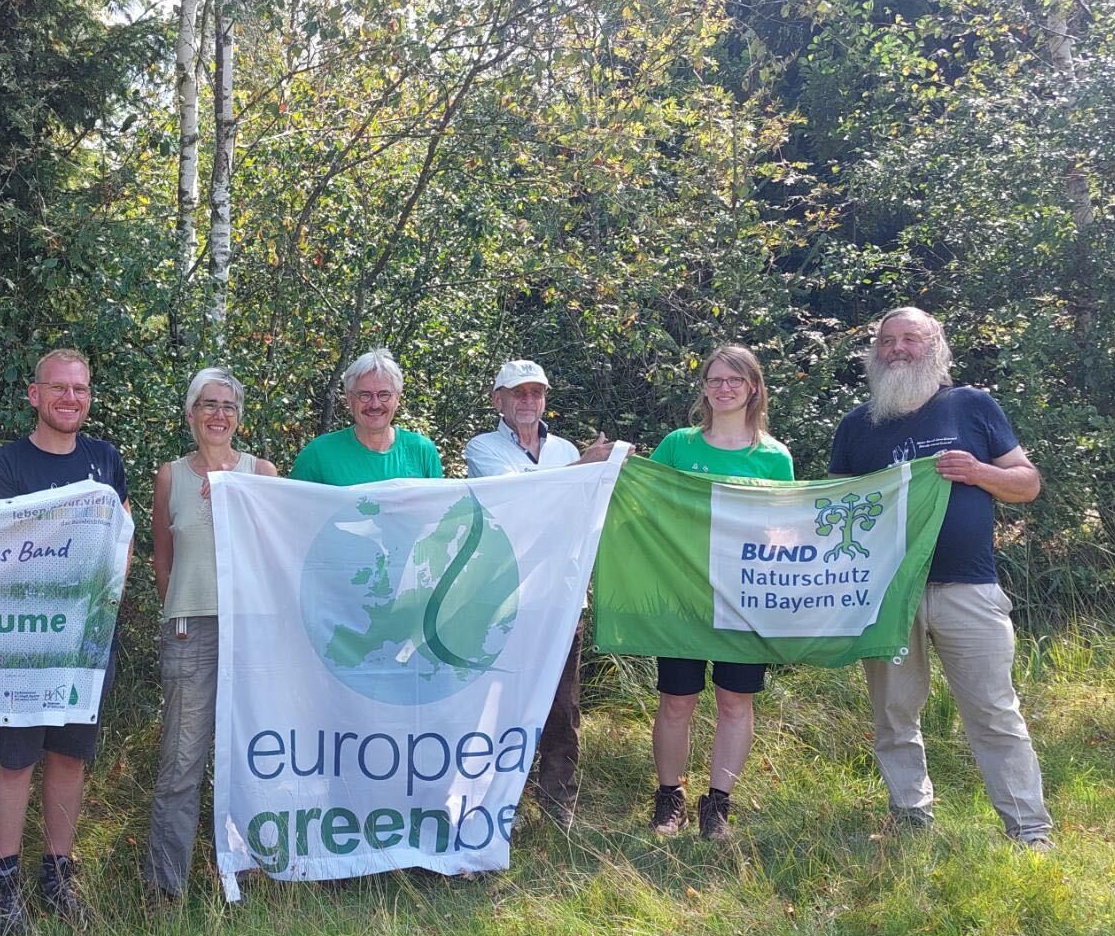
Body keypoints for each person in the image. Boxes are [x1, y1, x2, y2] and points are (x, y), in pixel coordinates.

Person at [829, 308, 1052, 848]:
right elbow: (831, 509)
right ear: (874, 352)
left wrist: (979, 472)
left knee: (994, 712)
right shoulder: (858, 425)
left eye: (910, 338)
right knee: (893, 713)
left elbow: (1027, 484)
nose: (898, 348)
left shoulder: (972, 405)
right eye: (887, 340)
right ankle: (911, 818)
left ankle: (1029, 830)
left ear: (935, 346)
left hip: (967, 589)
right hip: (885, 594)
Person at [0, 348, 129, 935]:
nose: (70, 399)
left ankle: (58, 878)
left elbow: (121, 539)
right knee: (15, 762)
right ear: (34, 395)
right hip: (21, 644)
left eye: (80, 389)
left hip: (85, 643)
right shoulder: (3, 465)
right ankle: (3, 889)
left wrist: (103, 602)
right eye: (58, 388)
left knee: (70, 758)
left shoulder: (105, 459)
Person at [646, 346, 795, 840]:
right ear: (704, 387)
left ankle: (718, 805)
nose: (724, 388)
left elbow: (783, 528)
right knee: (676, 702)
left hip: (746, 599)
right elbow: (646, 506)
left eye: (735, 380)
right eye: (715, 379)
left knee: (735, 703)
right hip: (683, 596)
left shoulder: (774, 457)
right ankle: (670, 798)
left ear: (753, 388)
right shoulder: (677, 445)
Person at [144, 368, 278, 904]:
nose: (218, 414)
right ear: (190, 413)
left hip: (251, 632)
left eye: (228, 406)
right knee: (182, 762)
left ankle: (248, 876)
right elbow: (163, 563)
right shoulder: (169, 476)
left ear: (239, 418)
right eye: (208, 404)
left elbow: (277, 552)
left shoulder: (261, 472)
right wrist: (184, 608)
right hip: (189, 630)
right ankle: (165, 889)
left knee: (251, 756)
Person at [461, 358, 615, 821]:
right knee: (496, 702)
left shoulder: (564, 448)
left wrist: (589, 474)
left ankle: (556, 803)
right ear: (498, 400)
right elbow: (516, 499)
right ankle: (491, 801)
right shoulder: (483, 447)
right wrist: (582, 471)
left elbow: (584, 509)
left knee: (562, 704)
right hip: (502, 596)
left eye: (536, 393)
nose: (528, 401)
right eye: (517, 393)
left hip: (560, 594)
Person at [290, 348, 442, 485]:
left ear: (397, 399)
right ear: (349, 400)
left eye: (384, 394)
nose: (375, 404)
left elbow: (441, 512)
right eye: (364, 395)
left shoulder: (422, 450)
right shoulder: (318, 454)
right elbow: (289, 511)